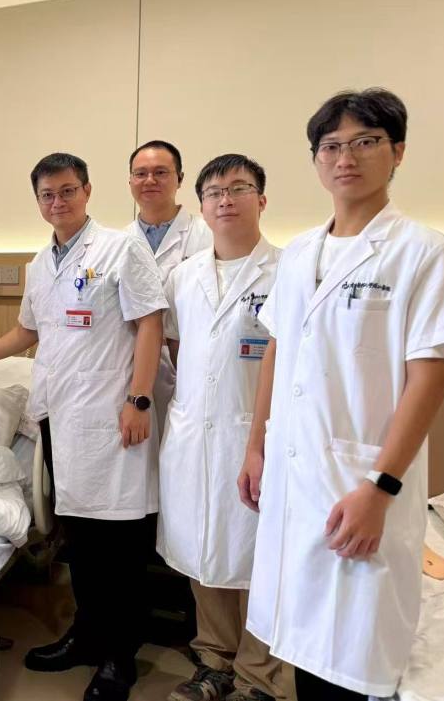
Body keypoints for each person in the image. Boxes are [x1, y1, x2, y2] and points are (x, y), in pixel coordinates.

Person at [240, 88, 444, 700]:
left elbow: (429, 380)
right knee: (301, 645)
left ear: (398, 152)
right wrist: (256, 447)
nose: (346, 158)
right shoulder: (298, 255)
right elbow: (277, 351)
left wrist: (379, 488)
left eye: (365, 142)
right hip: (294, 476)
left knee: (350, 656)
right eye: (331, 146)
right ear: (316, 159)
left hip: (361, 481)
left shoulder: (428, 254)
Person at [0, 152, 166, 701]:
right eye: (47, 195)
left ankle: (120, 657)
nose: (58, 202)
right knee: (79, 539)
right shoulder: (39, 263)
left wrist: (139, 399)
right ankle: (87, 635)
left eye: (68, 191)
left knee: (118, 544)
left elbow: (150, 323)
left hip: (112, 414)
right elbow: (29, 331)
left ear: (88, 191)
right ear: (38, 201)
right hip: (60, 416)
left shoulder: (122, 248)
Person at [158, 154, 285, 701]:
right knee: (202, 549)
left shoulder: (288, 272)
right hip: (193, 434)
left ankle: (261, 676)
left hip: (257, 434)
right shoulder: (182, 277)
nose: (225, 200)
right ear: (202, 207)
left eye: (239, 188)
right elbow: (176, 346)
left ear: (262, 199)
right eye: (214, 192)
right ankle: (214, 661)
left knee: (258, 555)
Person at [124, 140, 213, 435]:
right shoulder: (116, 244)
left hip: (192, 363)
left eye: (160, 172)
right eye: (141, 174)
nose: (149, 180)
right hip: (131, 369)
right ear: (130, 181)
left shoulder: (209, 236)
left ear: (180, 178)